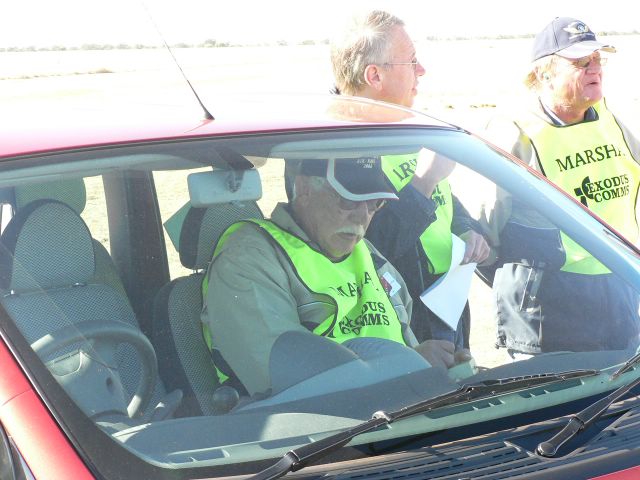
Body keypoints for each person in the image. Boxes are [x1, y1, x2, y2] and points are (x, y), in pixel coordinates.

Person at [201, 156, 454, 397]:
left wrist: (431, 360)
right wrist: (409, 368)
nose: (362, 217)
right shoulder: (248, 258)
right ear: (304, 189)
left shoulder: (367, 253)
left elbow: (402, 337)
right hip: (324, 423)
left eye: (374, 203)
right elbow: (291, 384)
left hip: (399, 411)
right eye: (348, 200)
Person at [329, 10, 490, 368]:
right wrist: (423, 182)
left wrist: (467, 229)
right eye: (412, 61)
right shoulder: (334, 150)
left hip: (444, 303)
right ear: (375, 75)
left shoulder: (402, 128)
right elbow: (362, 246)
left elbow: (443, 201)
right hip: (401, 321)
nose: (422, 71)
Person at [481, 17, 640, 357]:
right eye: (581, 62)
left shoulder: (608, 119)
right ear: (544, 74)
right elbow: (484, 228)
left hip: (618, 293)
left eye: (597, 59)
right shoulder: (515, 129)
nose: (594, 69)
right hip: (548, 309)